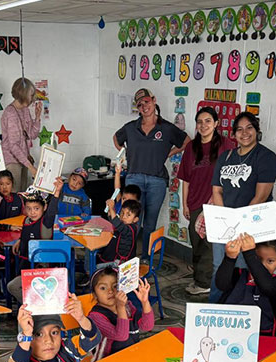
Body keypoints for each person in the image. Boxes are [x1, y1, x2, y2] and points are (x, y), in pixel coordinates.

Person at [209, 112, 276, 303]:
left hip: (250, 227)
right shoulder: (226, 157)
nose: (245, 133)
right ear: (234, 134)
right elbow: (217, 191)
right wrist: (224, 223)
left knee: (242, 269)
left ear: (257, 131)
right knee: (220, 267)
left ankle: (238, 309)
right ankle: (214, 309)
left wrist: (238, 227)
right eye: (239, 129)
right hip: (225, 226)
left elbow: (261, 196)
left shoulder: (266, 157)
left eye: (249, 128)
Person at [113, 88, 190, 256]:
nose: (144, 106)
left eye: (146, 102)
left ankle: (147, 258)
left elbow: (187, 142)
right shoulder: (130, 127)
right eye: (140, 105)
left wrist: (170, 153)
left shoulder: (167, 128)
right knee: (131, 220)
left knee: (150, 223)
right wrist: (125, 152)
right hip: (134, 179)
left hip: (157, 181)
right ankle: (128, 256)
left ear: (154, 100)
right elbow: (116, 138)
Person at [178, 106, 234, 296]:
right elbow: (185, 179)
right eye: (200, 122)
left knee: (210, 245)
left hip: (215, 204)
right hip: (195, 202)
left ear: (216, 123)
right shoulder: (191, 147)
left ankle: (205, 282)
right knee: (197, 243)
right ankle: (200, 278)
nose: (203, 125)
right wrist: (184, 204)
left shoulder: (227, 145)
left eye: (208, 121)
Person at [215, 234, 276, 336]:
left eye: (270, 261)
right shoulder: (238, 275)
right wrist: (230, 258)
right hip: (230, 335)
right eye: (258, 260)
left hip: (263, 338)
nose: (263, 266)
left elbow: (266, 286)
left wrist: (250, 254)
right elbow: (221, 285)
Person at [6, 178, 64, 301]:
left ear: (44, 207)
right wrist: (20, 241)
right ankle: (31, 304)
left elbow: (52, 211)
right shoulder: (26, 220)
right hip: (26, 267)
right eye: (29, 208)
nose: (32, 212)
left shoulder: (46, 222)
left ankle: (33, 305)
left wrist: (57, 192)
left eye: (36, 208)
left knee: (13, 287)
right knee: (14, 285)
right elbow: (27, 234)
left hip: (41, 272)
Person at [87, 267, 154, 361]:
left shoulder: (128, 306)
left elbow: (147, 326)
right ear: (94, 295)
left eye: (115, 286)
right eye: (103, 288)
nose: (110, 291)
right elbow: (121, 336)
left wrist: (145, 302)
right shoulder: (95, 316)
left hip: (130, 357)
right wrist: (120, 307)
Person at [1, 78, 42, 190]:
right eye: (31, 95)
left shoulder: (25, 110)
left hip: (23, 159)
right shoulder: (10, 113)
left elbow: (31, 135)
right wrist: (31, 167)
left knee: (22, 194)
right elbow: (13, 145)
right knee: (14, 196)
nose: (33, 98)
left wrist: (37, 118)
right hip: (12, 160)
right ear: (23, 94)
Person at [99, 199, 141, 265]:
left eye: (128, 215)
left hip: (121, 262)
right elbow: (115, 222)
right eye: (122, 213)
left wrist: (112, 208)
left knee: (97, 267)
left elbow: (118, 225)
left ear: (135, 219)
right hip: (115, 256)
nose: (123, 217)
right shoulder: (124, 223)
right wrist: (110, 211)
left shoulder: (132, 229)